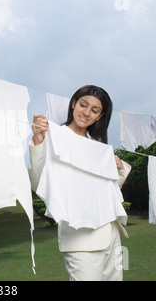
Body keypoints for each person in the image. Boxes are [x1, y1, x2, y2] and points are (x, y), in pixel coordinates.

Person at [29, 85, 131, 281]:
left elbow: (104, 190)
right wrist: (39, 142)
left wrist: (118, 167)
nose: (86, 113)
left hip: (112, 231)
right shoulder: (54, 137)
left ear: (99, 116)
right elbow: (38, 182)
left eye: (95, 110)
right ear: (74, 104)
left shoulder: (96, 145)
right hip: (81, 239)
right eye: (83, 105)